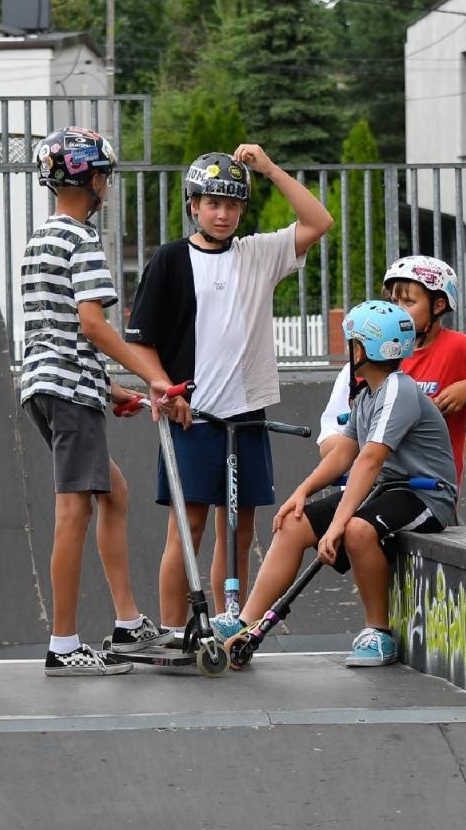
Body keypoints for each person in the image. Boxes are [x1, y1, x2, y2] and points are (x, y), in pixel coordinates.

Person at [126, 144, 332, 641]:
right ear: (193, 206)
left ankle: (228, 625)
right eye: (212, 203)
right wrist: (165, 391)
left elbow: (318, 220)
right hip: (191, 417)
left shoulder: (258, 253)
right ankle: (174, 633)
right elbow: (140, 342)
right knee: (187, 528)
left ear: (242, 210)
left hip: (248, 415)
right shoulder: (171, 259)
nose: (222, 213)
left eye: (232, 204)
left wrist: (268, 169)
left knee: (239, 530)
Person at [18, 126, 176, 676]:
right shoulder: (82, 242)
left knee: (114, 493)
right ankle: (64, 646)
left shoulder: (40, 240)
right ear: (91, 179)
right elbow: (92, 325)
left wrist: (113, 390)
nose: (108, 184)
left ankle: (129, 623)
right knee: (72, 513)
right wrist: (153, 376)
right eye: (105, 174)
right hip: (68, 390)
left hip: (48, 385)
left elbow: (53, 332)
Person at [230, 301, 457, 667]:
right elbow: (343, 454)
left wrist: (335, 527)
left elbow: (370, 460)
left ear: (362, 349)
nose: (347, 349)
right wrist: (301, 493)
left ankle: (378, 632)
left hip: (425, 493)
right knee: (293, 523)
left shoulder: (399, 391)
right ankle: (243, 625)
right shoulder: (367, 394)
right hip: (386, 489)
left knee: (356, 530)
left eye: (351, 342)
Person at [314, 256, 466, 481]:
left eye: (408, 302)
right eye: (394, 302)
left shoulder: (459, 349)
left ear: (438, 305)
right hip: (370, 480)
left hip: (424, 488)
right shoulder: (366, 359)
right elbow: (329, 444)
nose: (398, 311)